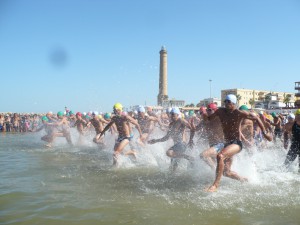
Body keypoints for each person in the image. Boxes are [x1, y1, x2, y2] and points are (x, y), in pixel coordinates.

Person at [202, 94, 272, 192]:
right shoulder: (220, 111)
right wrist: (205, 115)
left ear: (234, 104)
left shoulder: (239, 113)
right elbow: (209, 119)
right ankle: (244, 180)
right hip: (226, 143)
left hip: (236, 143)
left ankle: (215, 185)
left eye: (228, 102)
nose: (226, 103)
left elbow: (256, 117)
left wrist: (265, 133)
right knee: (226, 172)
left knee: (220, 156)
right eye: (225, 101)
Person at [148, 107, 195, 172]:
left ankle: (188, 157)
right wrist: (155, 140)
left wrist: (191, 140)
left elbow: (192, 129)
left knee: (169, 153)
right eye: (171, 114)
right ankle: (189, 159)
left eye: (173, 114)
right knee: (172, 169)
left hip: (181, 144)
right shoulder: (171, 124)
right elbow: (166, 137)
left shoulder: (181, 121)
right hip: (176, 146)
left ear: (177, 114)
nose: (172, 116)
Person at [197, 103, 224, 170]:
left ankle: (215, 172)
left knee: (203, 155)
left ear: (215, 111)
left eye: (209, 110)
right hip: (212, 145)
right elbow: (196, 128)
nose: (207, 111)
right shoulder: (205, 120)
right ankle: (218, 174)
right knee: (215, 162)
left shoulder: (219, 119)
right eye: (207, 110)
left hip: (220, 144)